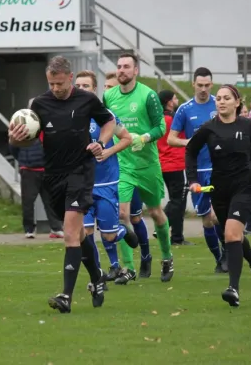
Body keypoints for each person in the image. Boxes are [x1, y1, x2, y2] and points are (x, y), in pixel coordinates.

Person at [9, 56, 116, 313]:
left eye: (59, 83)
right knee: (78, 234)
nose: (55, 88)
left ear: (70, 77)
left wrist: (100, 143)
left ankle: (66, 296)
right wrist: (15, 139)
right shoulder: (38, 104)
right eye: (51, 83)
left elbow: (109, 122)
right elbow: (25, 141)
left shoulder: (87, 99)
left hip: (81, 172)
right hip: (53, 176)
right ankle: (97, 276)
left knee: (69, 233)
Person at [185, 84, 251, 307]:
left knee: (232, 235)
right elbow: (191, 150)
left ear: (237, 102)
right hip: (220, 189)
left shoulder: (247, 124)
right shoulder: (208, 128)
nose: (221, 101)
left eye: (226, 98)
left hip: (245, 186)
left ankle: (233, 289)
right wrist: (193, 180)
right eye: (219, 98)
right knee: (233, 234)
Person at [104, 53, 174, 284]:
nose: (121, 70)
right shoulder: (109, 96)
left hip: (147, 165)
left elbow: (160, 127)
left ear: (136, 71)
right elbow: (106, 126)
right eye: (119, 66)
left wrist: (143, 138)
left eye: (126, 67)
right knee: (122, 215)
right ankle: (129, 268)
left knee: (155, 212)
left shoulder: (148, 95)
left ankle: (166, 257)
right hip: (122, 166)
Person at [74, 70, 137, 282]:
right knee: (87, 233)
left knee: (108, 234)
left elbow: (126, 138)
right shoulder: (71, 117)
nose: (81, 89)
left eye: (86, 86)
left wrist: (108, 151)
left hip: (106, 183)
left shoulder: (106, 116)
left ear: (95, 90)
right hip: (82, 184)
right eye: (78, 86)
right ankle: (98, 274)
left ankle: (121, 232)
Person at [168, 67, 227, 273]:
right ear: (193, 84)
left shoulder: (219, 104)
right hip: (198, 170)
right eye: (199, 85)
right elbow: (171, 138)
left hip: (220, 168)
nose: (203, 89)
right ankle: (219, 258)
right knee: (206, 218)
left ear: (212, 84)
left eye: (207, 85)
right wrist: (189, 142)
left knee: (218, 215)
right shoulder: (185, 109)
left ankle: (227, 252)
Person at [10, 98, 64, 239]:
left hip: (47, 171)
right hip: (29, 170)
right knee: (28, 201)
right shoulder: (20, 126)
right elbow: (13, 147)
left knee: (51, 201)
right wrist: (23, 161)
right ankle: (29, 229)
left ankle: (56, 228)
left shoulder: (49, 126)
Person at [157, 90, 190, 245]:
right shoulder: (173, 120)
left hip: (163, 164)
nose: (177, 100)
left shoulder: (158, 119)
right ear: (169, 102)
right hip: (176, 163)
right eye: (175, 98)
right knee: (178, 201)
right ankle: (165, 228)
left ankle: (175, 235)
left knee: (176, 200)